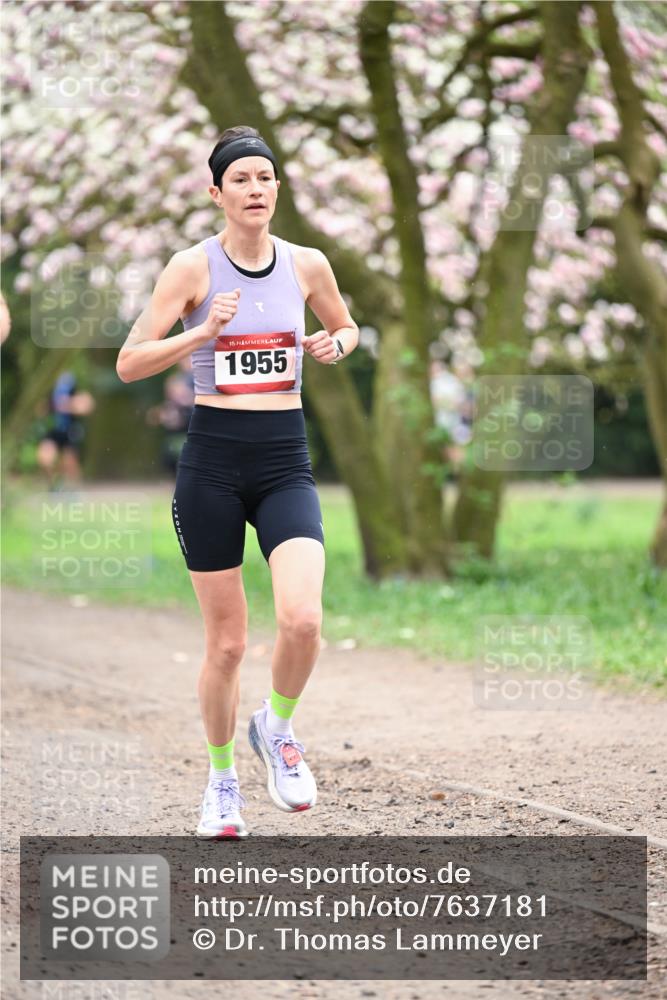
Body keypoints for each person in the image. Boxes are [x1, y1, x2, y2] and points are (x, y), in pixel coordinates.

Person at [116, 126, 359, 838]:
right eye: (241, 180)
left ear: (276, 188)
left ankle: (275, 728)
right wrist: (198, 334)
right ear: (216, 193)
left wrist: (333, 343)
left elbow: (347, 329)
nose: (255, 190)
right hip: (212, 466)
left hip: (285, 461)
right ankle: (221, 782)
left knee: (303, 620)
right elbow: (131, 361)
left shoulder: (307, 264)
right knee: (225, 645)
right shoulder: (190, 269)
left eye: (265, 177)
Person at [36, 371, 96, 489]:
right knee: (45, 458)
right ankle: (54, 486)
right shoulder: (51, 395)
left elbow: (88, 405)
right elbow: (40, 409)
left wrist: (67, 405)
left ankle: (75, 490)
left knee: (70, 463)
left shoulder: (76, 395)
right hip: (54, 431)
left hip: (70, 432)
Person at [146, 356, 195, 478]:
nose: (186, 363)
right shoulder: (176, 379)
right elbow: (170, 406)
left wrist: (186, 398)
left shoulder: (199, 380)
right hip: (178, 430)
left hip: (192, 427)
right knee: (168, 453)